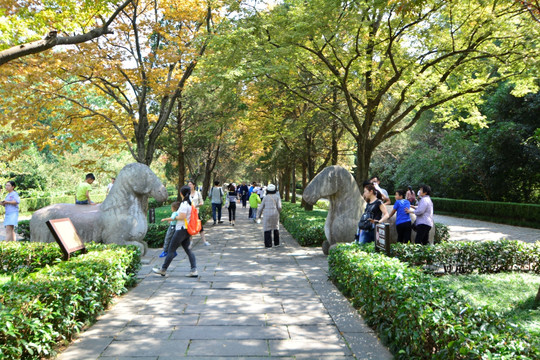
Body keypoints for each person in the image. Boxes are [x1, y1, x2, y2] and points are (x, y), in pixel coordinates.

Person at [153, 186, 198, 277]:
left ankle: (163, 269)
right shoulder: (190, 203)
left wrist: (174, 218)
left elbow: (182, 217)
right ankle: (194, 270)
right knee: (188, 250)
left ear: (181, 193)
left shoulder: (184, 204)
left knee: (171, 250)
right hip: (186, 230)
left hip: (181, 230)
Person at [188, 180, 210, 246]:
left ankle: (204, 241)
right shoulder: (187, 193)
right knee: (190, 227)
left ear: (194, 185)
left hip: (196, 212)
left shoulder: (198, 193)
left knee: (200, 226)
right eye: (188, 184)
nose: (189, 186)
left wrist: (197, 205)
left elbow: (202, 202)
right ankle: (190, 241)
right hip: (189, 213)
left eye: (190, 184)